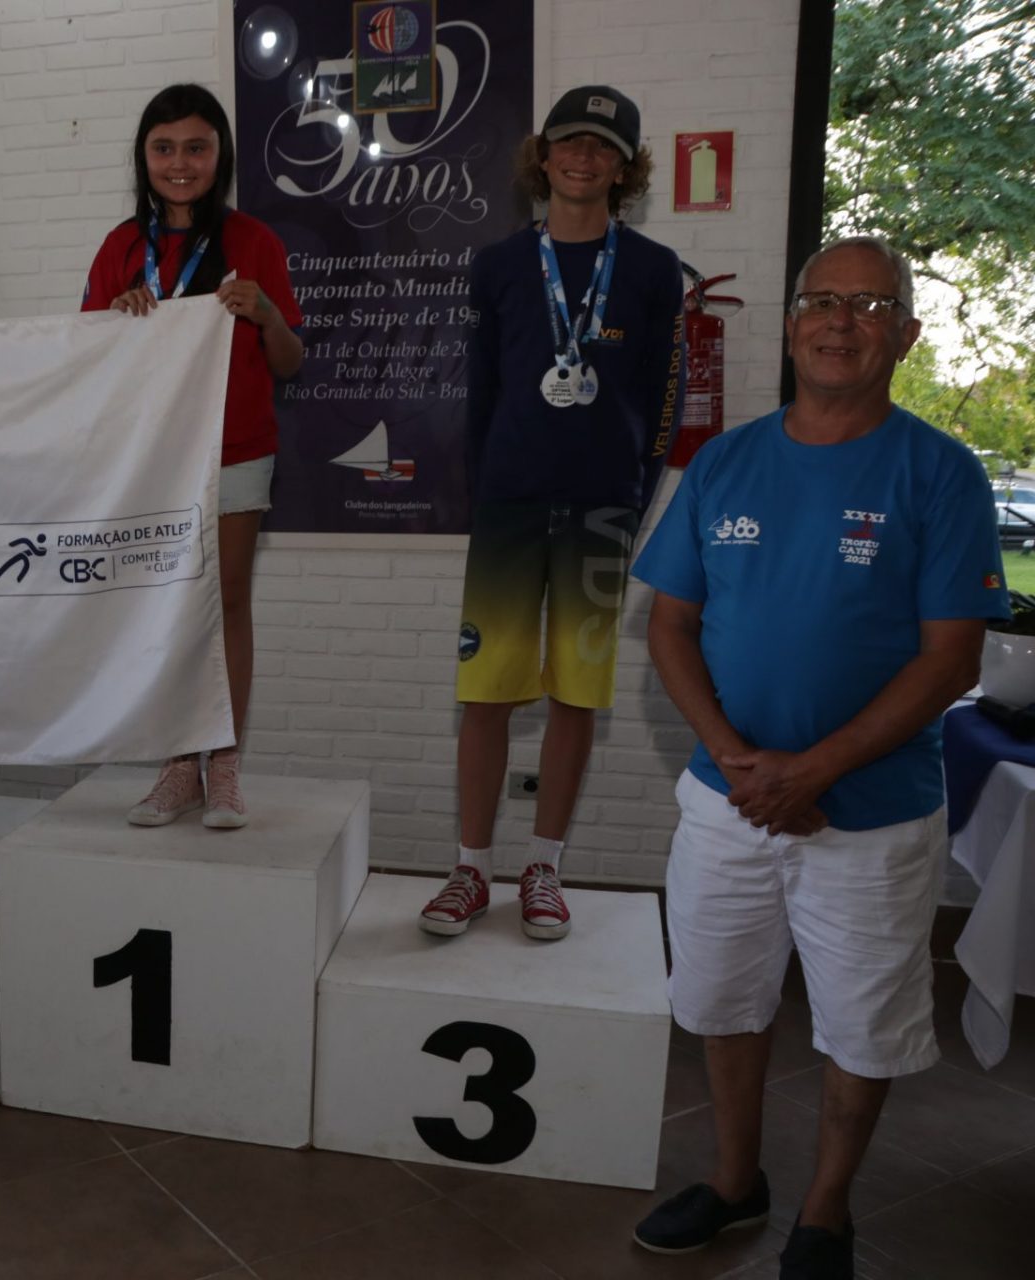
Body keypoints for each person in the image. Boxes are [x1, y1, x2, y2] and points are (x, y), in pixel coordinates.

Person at [629, 236, 1006, 1279]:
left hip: (871, 816)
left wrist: (815, 769)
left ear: (907, 335)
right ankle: (734, 1182)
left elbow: (951, 657)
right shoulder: (725, 462)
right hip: (727, 801)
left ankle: (827, 1209)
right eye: (823, 300)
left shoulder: (941, 472)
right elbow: (669, 625)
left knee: (862, 1024)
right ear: (793, 323)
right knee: (722, 999)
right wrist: (741, 761)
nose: (842, 320)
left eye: (872, 306)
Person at [420, 85, 683, 940]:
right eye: (570, 141)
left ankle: (544, 868)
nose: (584, 157)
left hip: (602, 511)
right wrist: (484, 497)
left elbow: (664, 402)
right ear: (544, 155)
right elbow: (480, 396)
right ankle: (470, 869)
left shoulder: (652, 270)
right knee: (486, 692)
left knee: (576, 695)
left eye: (604, 147)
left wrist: (635, 500)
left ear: (626, 168)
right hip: (508, 506)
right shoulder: (498, 264)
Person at [81, 82, 303, 830]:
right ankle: (180, 765)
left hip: (236, 449)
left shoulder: (255, 241)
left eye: (197, 148)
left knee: (229, 601)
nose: (180, 163)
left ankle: (225, 764)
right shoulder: (120, 248)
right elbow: (86, 366)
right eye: (164, 148)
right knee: (170, 605)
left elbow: (290, 362)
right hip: (152, 455)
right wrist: (114, 323)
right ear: (144, 156)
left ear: (221, 155)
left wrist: (266, 313)